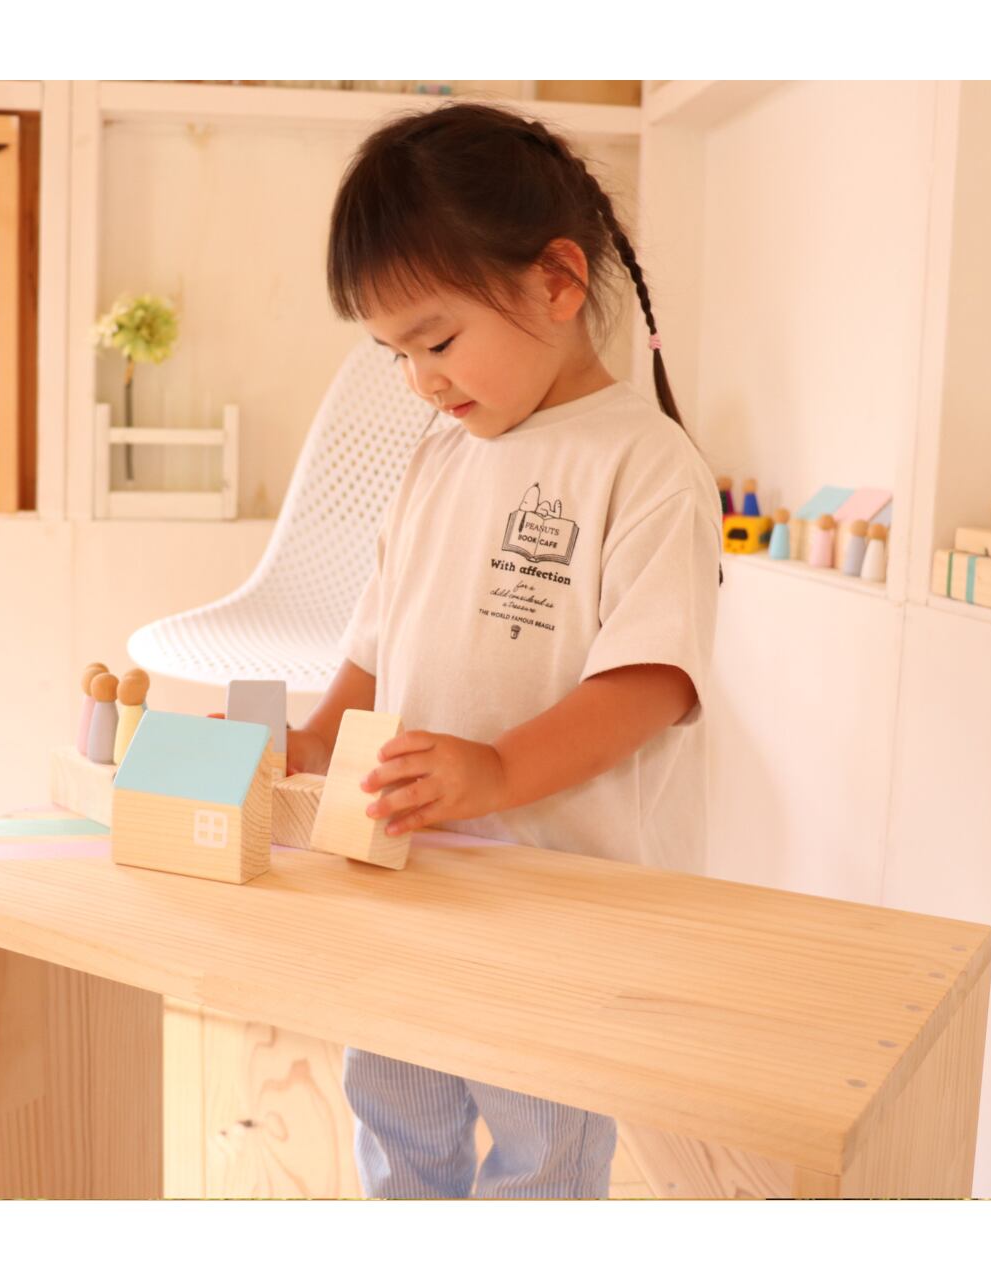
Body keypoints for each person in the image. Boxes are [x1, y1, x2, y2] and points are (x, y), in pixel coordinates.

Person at [286, 101, 722, 1200]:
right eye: (395, 354)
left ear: (557, 281)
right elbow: (379, 644)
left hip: (557, 900)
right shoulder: (436, 459)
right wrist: (310, 741)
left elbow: (648, 683)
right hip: (409, 867)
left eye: (436, 342)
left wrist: (497, 769)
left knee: (542, 1148)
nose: (421, 381)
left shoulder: (644, 463)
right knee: (396, 1113)